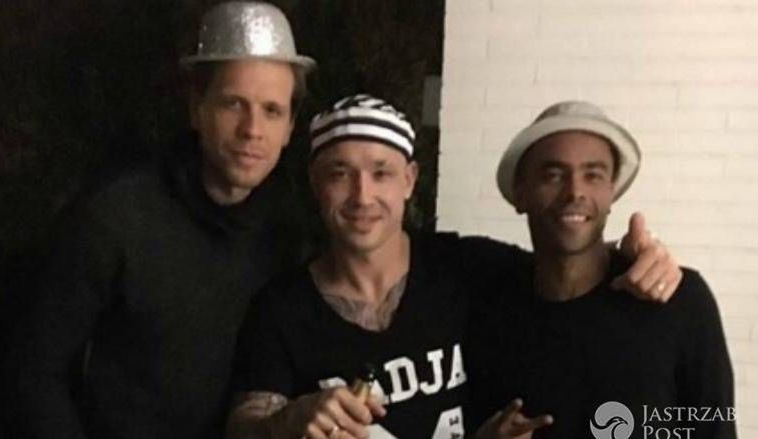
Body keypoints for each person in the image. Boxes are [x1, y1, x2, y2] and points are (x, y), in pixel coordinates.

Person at [226, 95, 682, 439]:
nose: (363, 196)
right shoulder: (280, 309)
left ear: (409, 180)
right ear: (315, 183)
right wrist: (287, 422)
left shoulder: (466, 267)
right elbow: (242, 426)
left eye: (381, 173)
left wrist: (638, 256)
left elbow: (569, 268)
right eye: (340, 174)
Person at [15, 2, 315, 438]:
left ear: (289, 127)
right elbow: (35, 371)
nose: (252, 130)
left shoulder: (289, 232)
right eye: (234, 103)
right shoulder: (115, 218)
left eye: (272, 110)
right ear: (197, 107)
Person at [468, 101, 736, 439]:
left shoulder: (678, 299)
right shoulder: (488, 307)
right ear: (521, 193)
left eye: (593, 175)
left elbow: (715, 429)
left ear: (612, 192)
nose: (575, 191)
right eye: (553, 175)